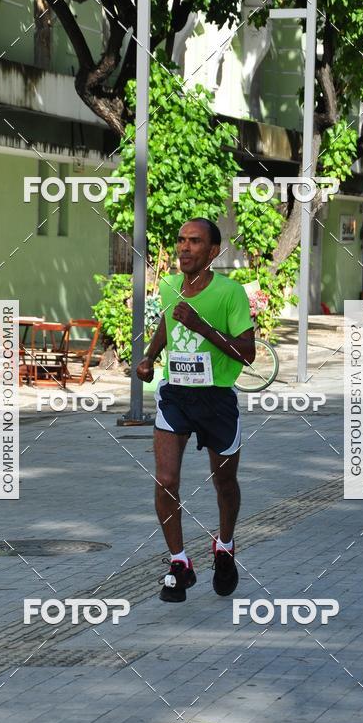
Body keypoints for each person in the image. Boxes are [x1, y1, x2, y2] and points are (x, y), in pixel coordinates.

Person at [137, 218, 255, 603]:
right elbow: (166, 323)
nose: (184, 248)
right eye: (181, 241)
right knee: (166, 479)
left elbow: (247, 353)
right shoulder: (171, 286)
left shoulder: (230, 293)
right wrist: (150, 356)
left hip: (217, 399)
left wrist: (202, 327)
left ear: (213, 251)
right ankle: (180, 564)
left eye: (195, 242)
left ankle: (224, 546)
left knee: (224, 483)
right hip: (176, 396)